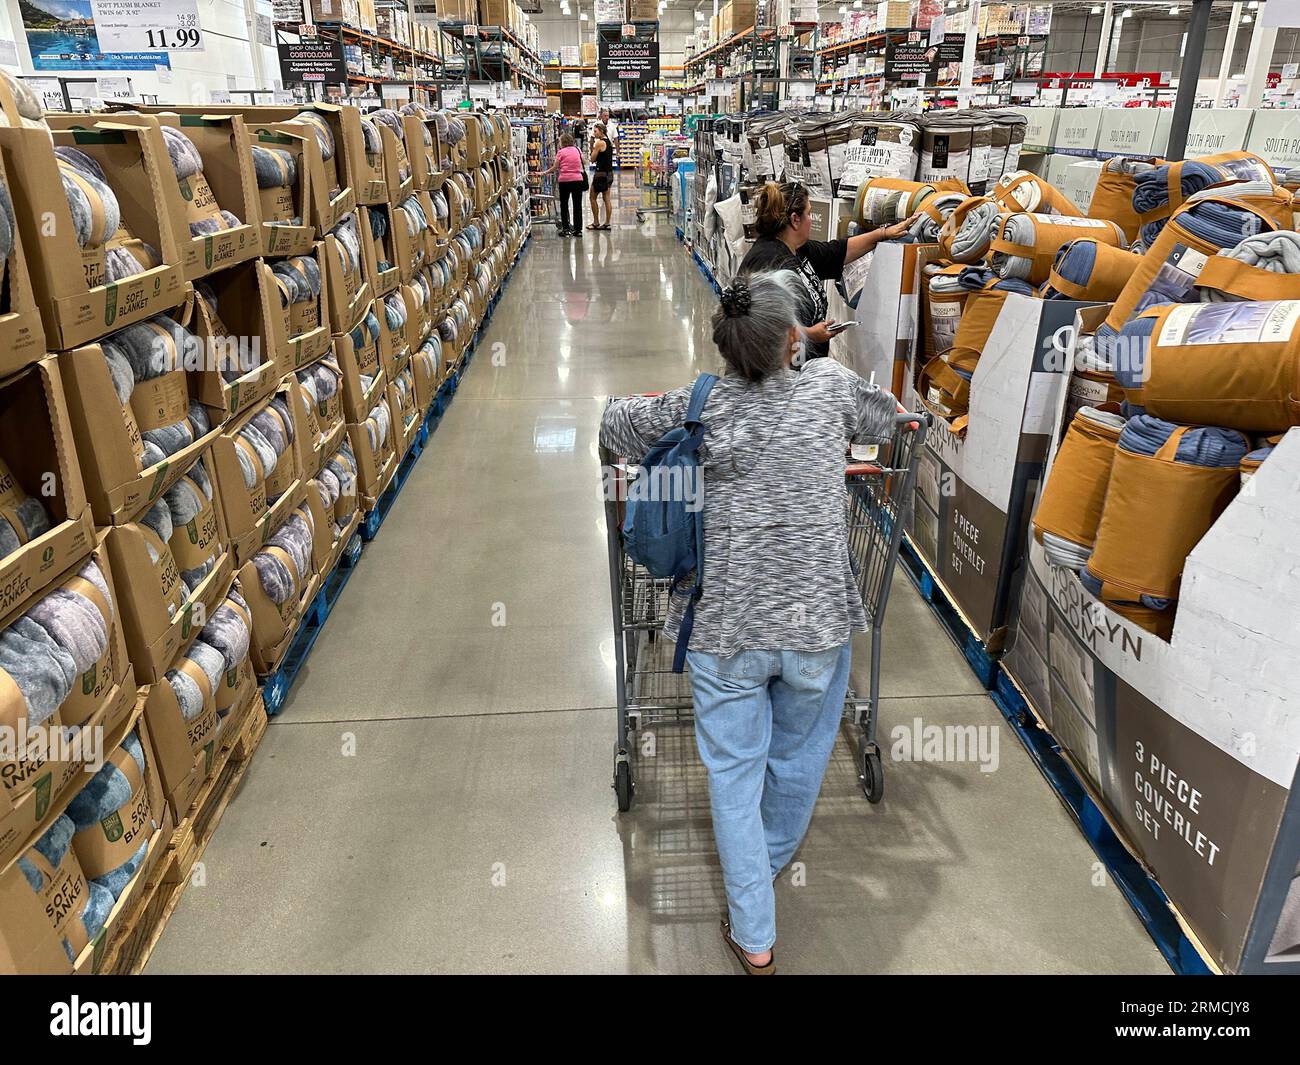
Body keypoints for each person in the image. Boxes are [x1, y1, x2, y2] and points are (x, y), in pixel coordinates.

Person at [598, 270, 901, 975]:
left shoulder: (699, 402)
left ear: (728, 347)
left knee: (734, 774)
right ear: (794, 339)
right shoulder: (830, 389)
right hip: (815, 621)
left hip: (724, 624)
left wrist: (634, 408)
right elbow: (892, 422)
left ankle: (756, 936)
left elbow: (615, 425)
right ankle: (757, 883)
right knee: (795, 759)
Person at [740, 180, 919, 363]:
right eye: (809, 213)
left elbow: (837, 252)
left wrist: (884, 234)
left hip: (803, 372)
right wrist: (810, 335)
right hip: (778, 379)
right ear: (795, 220)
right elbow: (762, 329)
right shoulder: (767, 264)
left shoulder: (797, 250)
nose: (811, 219)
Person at [541, 132, 585, 237]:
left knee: (564, 205)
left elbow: (555, 167)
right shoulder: (578, 150)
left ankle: (566, 230)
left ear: (562, 142)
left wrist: (544, 173)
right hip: (577, 180)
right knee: (577, 205)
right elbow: (584, 161)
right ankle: (578, 230)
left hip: (564, 181)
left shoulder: (560, 152)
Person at [588, 122, 615, 231]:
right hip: (609, 173)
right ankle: (607, 223)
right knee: (606, 198)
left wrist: (594, 147)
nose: (594, 133)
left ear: (601, 131)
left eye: (595, 131)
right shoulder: (609, 141)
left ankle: (596, 222)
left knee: (592, 197)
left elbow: (592, 159)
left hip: (600, 174)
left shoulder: (599, 143)